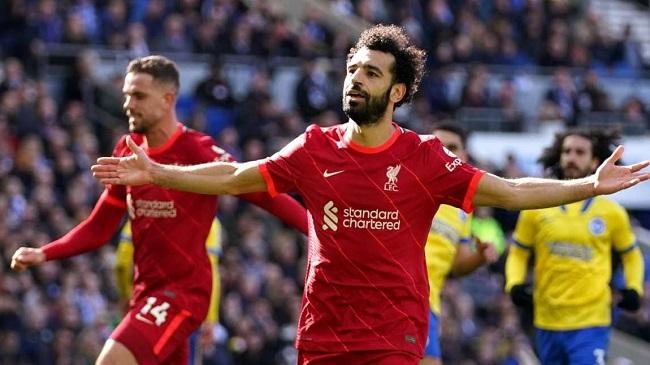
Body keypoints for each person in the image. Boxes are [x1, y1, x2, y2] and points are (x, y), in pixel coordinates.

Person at [91, 25, 650, 364]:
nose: (355, 79)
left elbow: (506, 192)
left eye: (372, 74)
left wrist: (587, 186)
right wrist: (159, 173)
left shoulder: (425, 158)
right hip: (323, 331)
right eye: (353, 69)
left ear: (398, 91)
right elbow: (237, 176)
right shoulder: (314, 148)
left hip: (393, 335)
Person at [11, 55, 308, 365]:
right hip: (145, 293)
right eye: (126, 94)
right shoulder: (128, 150)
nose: (128, 104)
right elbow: (100, 226)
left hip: (183, 294)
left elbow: (262, 193)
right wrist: (45, 253)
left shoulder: (197, 150)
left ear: (168, 99)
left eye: (138, 96)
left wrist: (318, 232)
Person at [505, 127, 645, 365]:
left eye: (580, 152)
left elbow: (632, 256)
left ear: (595, 161)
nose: (571, 157)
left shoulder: (612, 213)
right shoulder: (537, 208)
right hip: (547, 319)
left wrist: (634, 289)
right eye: (567, 151)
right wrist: (514, 284)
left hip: (592, 320)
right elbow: (518, 252)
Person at [421, 122, 499, 365]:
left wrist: (479, 257)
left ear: (464, 156)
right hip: (394, 297)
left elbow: (458, 265)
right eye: (437, 146)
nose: (444, 153)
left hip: (429, 303)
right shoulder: (407, 187)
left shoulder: (463, 209)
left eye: (452, 148)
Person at [113, 218, 224, 365]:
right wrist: (210, 318)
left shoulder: (142, 207)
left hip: (145, 306)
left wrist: (126, 296)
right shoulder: (207, 218)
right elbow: (210, 271)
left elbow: (121, 264)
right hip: (184, 308)